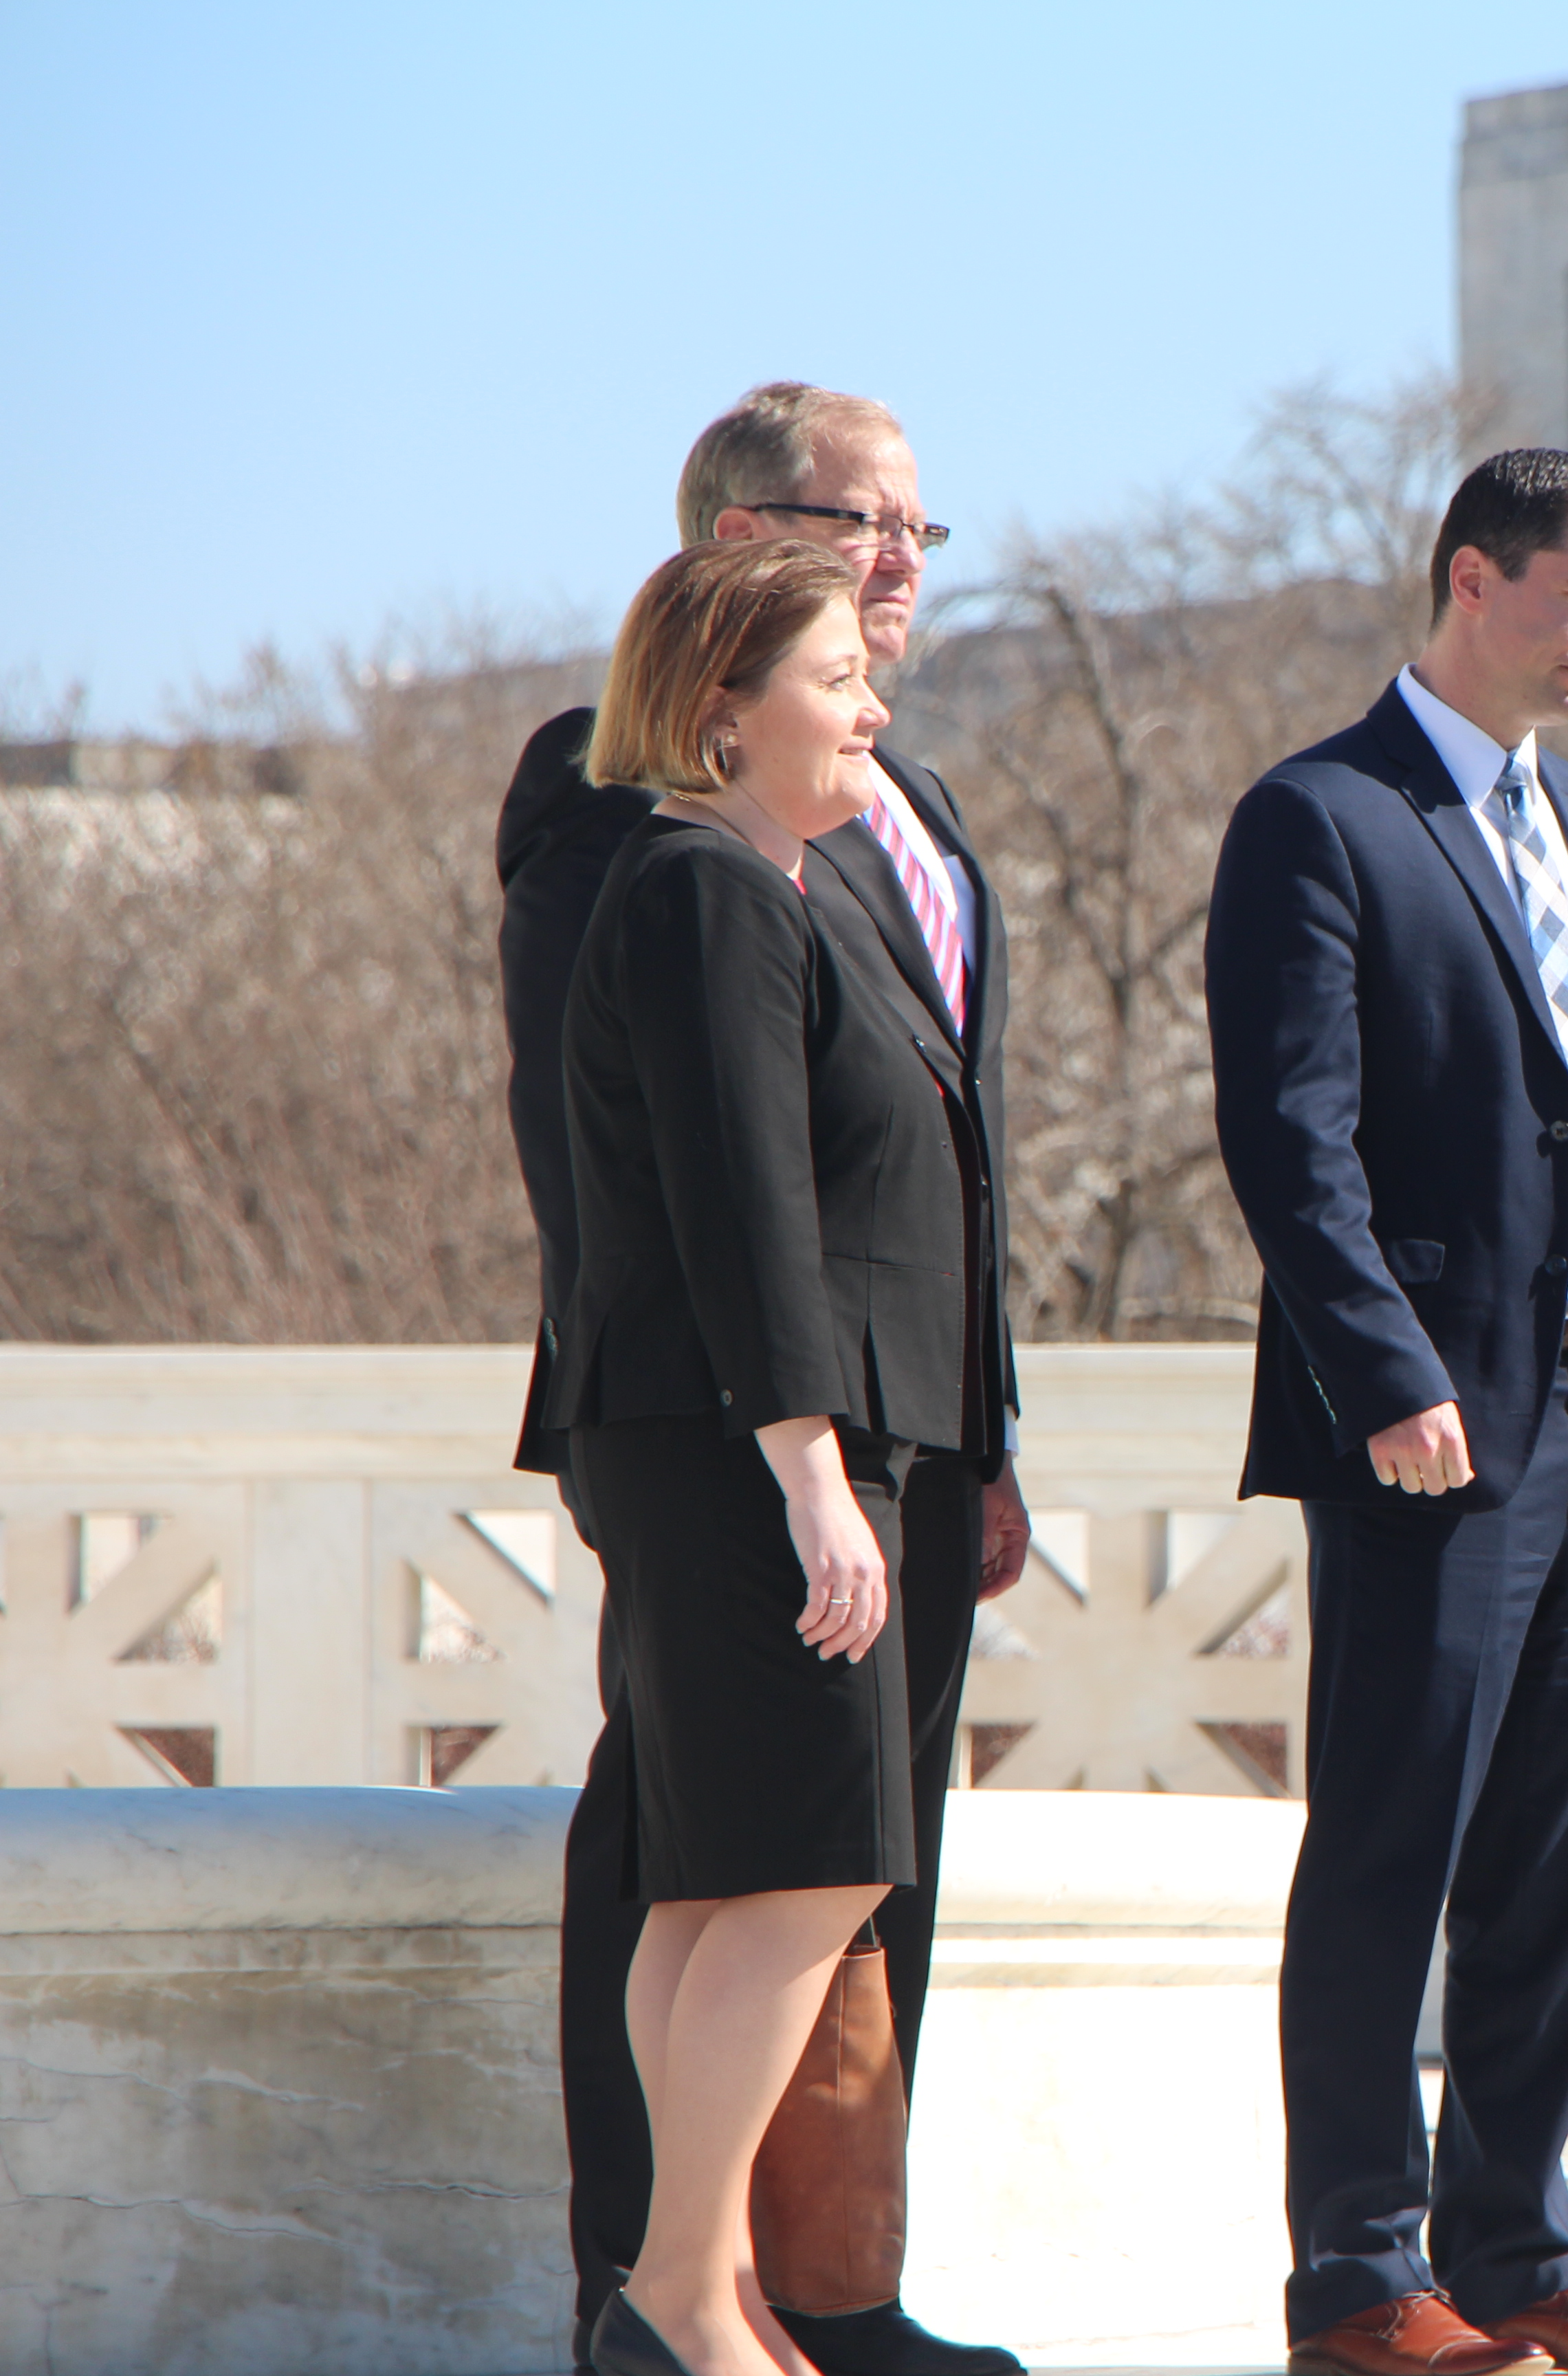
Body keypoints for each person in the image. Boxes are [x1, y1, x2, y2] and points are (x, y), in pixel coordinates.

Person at [501, 381, 1025, 2376]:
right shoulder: (659, 840)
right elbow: (691, 1183)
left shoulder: (891, 827)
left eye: (917, 529)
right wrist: (786, 1450)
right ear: (733, 596)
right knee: (775, 1865)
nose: (896, 574)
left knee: (786, 1885)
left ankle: (763, 2292)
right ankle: (662, 2296)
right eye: (852, 532)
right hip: (743, 1424)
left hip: (885, 1420)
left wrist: (973, 1439)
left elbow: (941, 1153)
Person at [1206, 449, 1568, 2376]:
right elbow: (1292, 1141)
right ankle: (1358, 2278)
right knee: (1392, 1853)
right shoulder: (1321, 817)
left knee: (1565, 1865)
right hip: (1433, 1431)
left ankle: (1517, 2254)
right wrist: (1385, 1374)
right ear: (1468, 581)